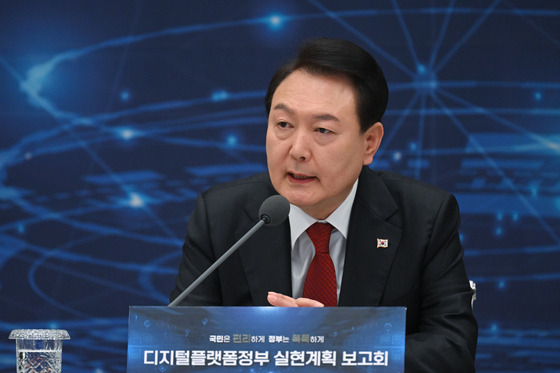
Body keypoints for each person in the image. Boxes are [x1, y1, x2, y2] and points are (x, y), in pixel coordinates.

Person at [171, 37, 477, 372]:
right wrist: (280, 348)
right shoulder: (220, 215)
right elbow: (182, 344)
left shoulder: (425, 217)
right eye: (283, 125)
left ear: (369, 143)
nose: (298, 149)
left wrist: (334, 349)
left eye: (323, 130)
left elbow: (452, 350)